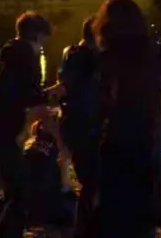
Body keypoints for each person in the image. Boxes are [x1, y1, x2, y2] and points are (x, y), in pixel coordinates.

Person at [0, 11, 66, 238]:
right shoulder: (25, 56)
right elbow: (31, 99)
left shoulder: (7, 54)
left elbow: (16, 93)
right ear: (35, 37)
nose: (42, 48)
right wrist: (53, 97)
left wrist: (45, 95)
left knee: (15, 189)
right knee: (20, 192)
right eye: (42, 42)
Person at [91, 0, 161, 238]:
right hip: (144, 141)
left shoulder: (108, 57)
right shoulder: (150, 54)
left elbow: (102, 103)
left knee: (113, 212)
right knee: (140, 214)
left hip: (116, 142)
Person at [53, 15, 100, 238]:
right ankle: (84, 231)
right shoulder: (87, 58)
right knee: (92, 183)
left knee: (90, 183)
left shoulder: (70, 55)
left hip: (74, 124)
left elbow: (64, 86)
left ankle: (86, 230)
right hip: (84, 126)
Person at [23, 120, 77, 236]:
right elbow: (64, 182)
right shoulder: (56, 148)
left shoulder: (29, 146)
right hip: (48, 201)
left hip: (27, 200)